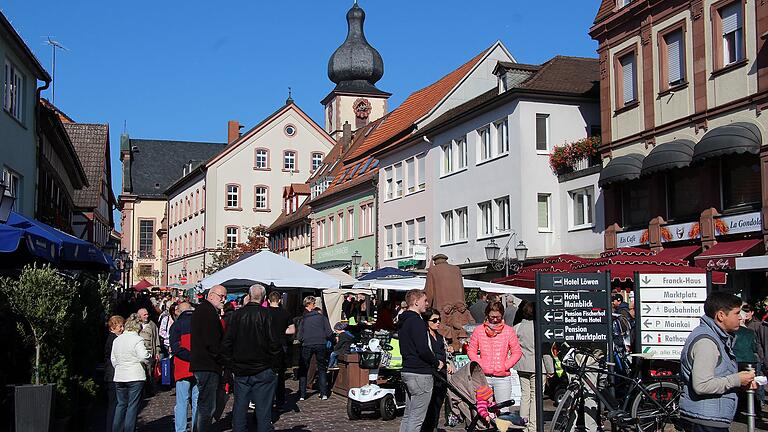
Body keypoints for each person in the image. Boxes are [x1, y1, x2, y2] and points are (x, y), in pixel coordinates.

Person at [679, 292, 757, 431]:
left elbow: (718, 374)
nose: (740, 317)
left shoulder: (716, 337)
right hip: (706, 420)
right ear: (721, 315)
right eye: (737, 313)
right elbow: (702, 385)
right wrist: (737, 379)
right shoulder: (707, 342)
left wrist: (740, 383)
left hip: (708, 417)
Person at [221, 284, 282, 432]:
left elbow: (226, 343)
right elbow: (275, 343)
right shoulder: (267, 315)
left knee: (240, 408)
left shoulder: (236, 315)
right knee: (263, 411)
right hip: (263, 367)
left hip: (242, 368)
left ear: (248, 296)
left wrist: (231, 364)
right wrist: (275, 366)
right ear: (264, 298)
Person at [399, 289, 442, 432]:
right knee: (416, 418)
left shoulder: (404, 321)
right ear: (416, 302)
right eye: (425, 301)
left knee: (408, 415)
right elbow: (423, 349)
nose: (427, 304)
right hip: (420, 372)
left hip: (407, 370)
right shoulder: (416, 321)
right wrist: (436, 362)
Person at [467, 301, 523, 411]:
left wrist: (505, 365)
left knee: (503, 411)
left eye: (498, 317)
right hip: (483, 377)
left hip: (502, 377)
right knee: (483, 411)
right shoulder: (479, 331)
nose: (495, 319)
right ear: (487, 315)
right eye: (492, 316)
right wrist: (481, 365)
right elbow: (471, 351)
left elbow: (517, 352)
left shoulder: (508, 331)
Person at [190, 285, 227, 432]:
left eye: (225, 296)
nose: (223, 299)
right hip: (207, 364)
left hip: (203, 363)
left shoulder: (205, 310)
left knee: (203, 404)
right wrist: (221, 358)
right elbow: (211, 342)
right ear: (211, 295)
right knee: (207, 406)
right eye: (221, 296)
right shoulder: (207, 311)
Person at [514, 302, 554, 432]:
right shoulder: (540, 329)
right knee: (536, 396)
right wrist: (550, 369)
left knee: (525, 395)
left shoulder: (517, 327)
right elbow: (546, 351)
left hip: (521, 364)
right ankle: (533, 426)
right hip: (538, 366)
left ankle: (523, 422)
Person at [111, 313, 150, 432]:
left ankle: (116, 430)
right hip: (134, 376)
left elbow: (113, 359)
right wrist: (149, 358)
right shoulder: (137, 339)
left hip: (119, 376)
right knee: (132, 406)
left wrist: (119, 367)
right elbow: (143, 356)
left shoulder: (117, 340)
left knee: (121, 405)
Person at [425, 254, 471, 350]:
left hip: (442, 311)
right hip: (459, 310)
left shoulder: (433, 270)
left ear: (435, 261)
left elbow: (429, 293)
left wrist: (426, 309)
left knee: (444, 343)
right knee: (460, 342)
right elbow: (462, 290)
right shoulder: (456, 269)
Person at [421, 308, 453, 432]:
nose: (438, 322)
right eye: (434, 320)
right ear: (427, 321)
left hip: (441, 376)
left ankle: (433, 427)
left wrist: (448, 357)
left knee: (437, 404)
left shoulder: (440, 337)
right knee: (428, 406)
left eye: (439, 319)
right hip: (430, 374)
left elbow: (444, 354)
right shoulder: (425, 336)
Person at [297, 295, 333, 400]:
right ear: (313, 305)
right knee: (321, 368)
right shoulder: (322, 318)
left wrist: (303, 339)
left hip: (307, 343)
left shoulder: (303, 319)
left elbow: (299, 335)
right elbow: (329, 332)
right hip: (320, 343)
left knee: (304, 368)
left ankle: (302, 394)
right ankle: (324, 393)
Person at [170, 302, 198, 432]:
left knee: (182, 402)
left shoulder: (176, 325)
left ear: (180, 312)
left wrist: (188, 356)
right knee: (197, 401)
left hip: (182, 367)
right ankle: (196, 427)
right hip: (198, 366)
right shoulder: (200, 323)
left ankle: (180, 429)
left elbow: (176, 347)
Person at [267, 290, 294, 407]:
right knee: (280, 374)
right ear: (280, 300)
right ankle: (280, 401)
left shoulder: (265, 312)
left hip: (268, 344)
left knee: (267, 373)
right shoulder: (285, 313)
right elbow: (292, 330)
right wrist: (282, 331)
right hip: (282, 344)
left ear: (268, 300)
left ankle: (267, 400)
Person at [104, 315, 125, 432]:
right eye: (120, 326)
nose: (122, 329)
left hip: (112, 375)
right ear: (113, 327)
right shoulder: (113, 339)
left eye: (122, 326)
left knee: (115, 404)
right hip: (113, 375)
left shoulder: (114, 338)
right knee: (114, 405)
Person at [138, 307, 161, 394]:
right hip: (138, 352)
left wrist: (157, 351)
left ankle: (149, 389)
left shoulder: (152, 325)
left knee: (149, 371)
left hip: (149, 352)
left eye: (147, 314)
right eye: (144, 315)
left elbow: (156, 339)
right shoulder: (136, 325)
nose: (147, 316)